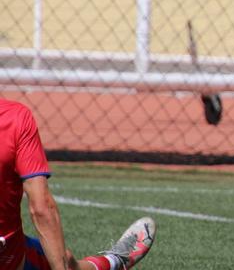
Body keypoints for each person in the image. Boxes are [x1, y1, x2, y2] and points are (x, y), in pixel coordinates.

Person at [0, 98, 156, 270]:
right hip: (7, 256)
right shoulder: (15, 117)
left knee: (63, 258)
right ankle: (114, 262)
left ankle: (113, 261)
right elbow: (41, 208)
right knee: (63, 261)